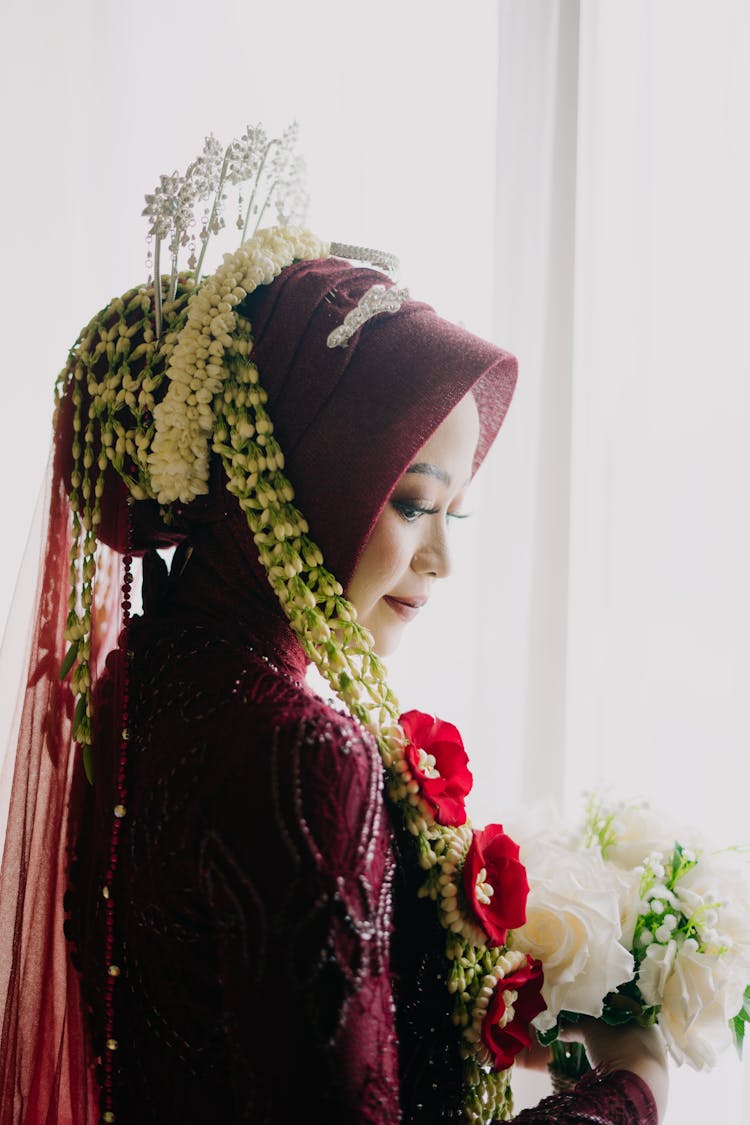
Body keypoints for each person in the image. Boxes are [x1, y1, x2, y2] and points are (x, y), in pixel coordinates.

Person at [0, 216, 668, 1123]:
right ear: (305, 472)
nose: (439, 561)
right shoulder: (299, 750)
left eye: (455, 515)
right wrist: (629, 1089)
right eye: (412, 502)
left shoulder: (145, 675)